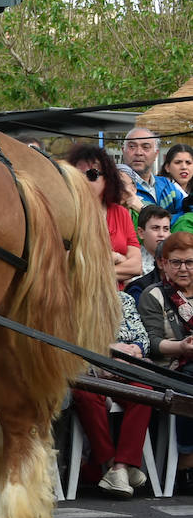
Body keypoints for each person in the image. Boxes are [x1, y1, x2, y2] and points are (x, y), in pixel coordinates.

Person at [75, 290, 152, 497]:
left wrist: (133, 351)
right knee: (86, 396)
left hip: (125, 366)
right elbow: (68, 341)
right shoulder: (69, 297)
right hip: (88, 369)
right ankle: (115, 466)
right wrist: (106, 353)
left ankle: (121, 466)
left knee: (145, 393)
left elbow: (143, 338)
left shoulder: (123, 299)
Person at [136, 230, 193, 496]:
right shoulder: (154, 295)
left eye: (190, 262)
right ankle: (186, 461)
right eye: (177, 262)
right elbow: (154, 343)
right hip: (168, 367)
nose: (184, 269)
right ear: (164, 264)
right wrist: (182, 347)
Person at [66, 145, 142, 287]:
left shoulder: (121, 213)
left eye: (92, 174)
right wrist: (115, 259)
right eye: (77, 175)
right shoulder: (66, 214)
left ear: (108, 178)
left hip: (116, 299)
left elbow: (135, 267)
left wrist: (94, 270)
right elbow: (66, 264)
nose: (83, 181)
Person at [122, 127, 184, 212]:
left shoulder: (166, 185)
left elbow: (187, 211)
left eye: (146, 147)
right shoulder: (118, 188)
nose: (139, 152)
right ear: (123, 151)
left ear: (156, 154)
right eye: (132, 146)